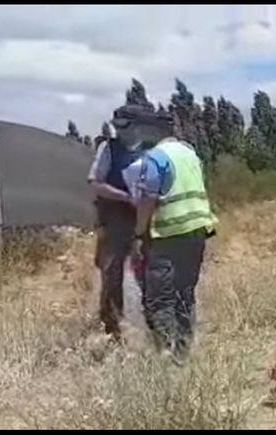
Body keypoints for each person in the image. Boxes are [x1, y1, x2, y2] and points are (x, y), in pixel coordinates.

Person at [129, 111, 217, 365]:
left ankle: (169, 357)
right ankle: (185, 351)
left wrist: (138, 233)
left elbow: (147, 200)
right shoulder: (190, 153)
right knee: (185, 293)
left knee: (160, 298)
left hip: (167, 236)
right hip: (197, 230)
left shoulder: (155, 158)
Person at [87, 104, 147, 340]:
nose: (119, 131)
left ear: (138, 126)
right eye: (117, 126)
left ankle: (150, 325)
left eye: (124, 126)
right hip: (114, 219)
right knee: (112, 274)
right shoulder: (108, 148)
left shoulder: (151, 149)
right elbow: (96, 183)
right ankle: (113, 328)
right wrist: (125, 196)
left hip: (144, 217)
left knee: (148, 272)